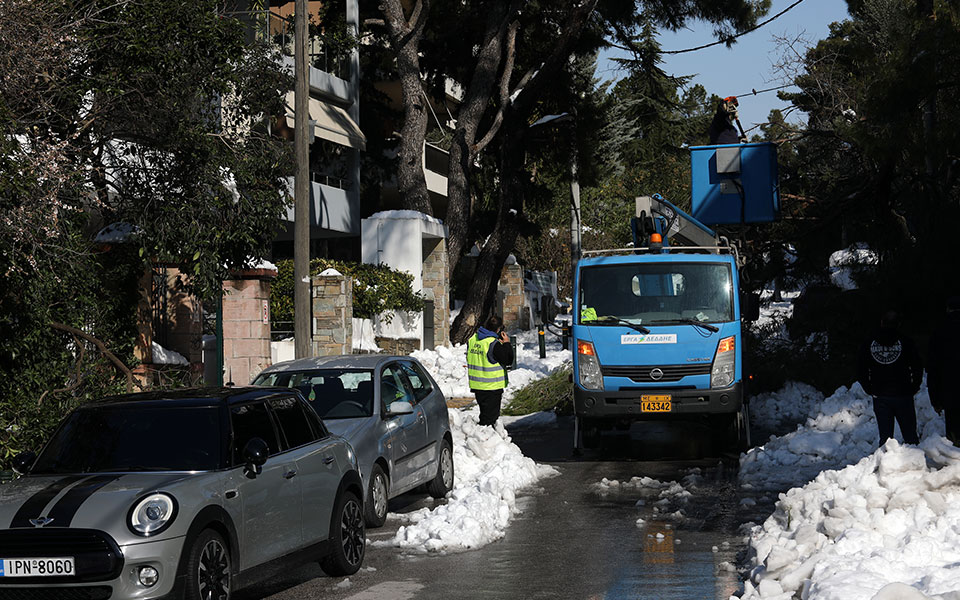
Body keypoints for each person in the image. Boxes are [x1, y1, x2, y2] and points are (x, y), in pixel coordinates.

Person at [857, 309, 923, 446]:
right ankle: (916, 462)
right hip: (903, 393)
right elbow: (917, 365)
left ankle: (886, 463)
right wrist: (915, 385)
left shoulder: (869, 342)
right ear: (898, 324)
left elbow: (861, 367)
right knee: (910, 435)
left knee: (885, 438)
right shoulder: (906, 342)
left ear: (882, 323)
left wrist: (869, 388)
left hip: (880, 394)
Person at [467, 315, 514, 426]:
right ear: (499, 329)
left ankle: (481, 437)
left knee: (484, 415)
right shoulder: (493, 344)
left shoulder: (473, 340)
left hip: (478, 386)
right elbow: (508, 359)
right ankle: (485, 440)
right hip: (491, 387)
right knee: (489, 420)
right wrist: (506, 343)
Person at [927, 297, 960, 444]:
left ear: (948, 309)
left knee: (954, 434)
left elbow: (933, 367)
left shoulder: (939, 331)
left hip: (950, 389)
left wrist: (935, 399)